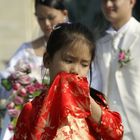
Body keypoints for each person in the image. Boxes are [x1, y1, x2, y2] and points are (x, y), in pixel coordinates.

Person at [13, 22, 123, 140]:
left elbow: (116, 134)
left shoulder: (97, 102)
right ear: (47, 60)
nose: (75, 70)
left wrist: (88, 103)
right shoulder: (32, 110)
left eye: (84, 64)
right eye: (69, 61)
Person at [0, 0, 69, 139]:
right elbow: (5, 82)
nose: (46, 24)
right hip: (29, 118)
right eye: (41, 18)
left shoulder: (76, 46)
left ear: (64, 13)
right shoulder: (26, 50)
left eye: (51, 17)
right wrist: (18, 84)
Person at [90, 0, 140, 139]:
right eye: (104, 1)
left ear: (131, 1)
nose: (108, 4)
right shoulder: (100, 45)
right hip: (110, 130)